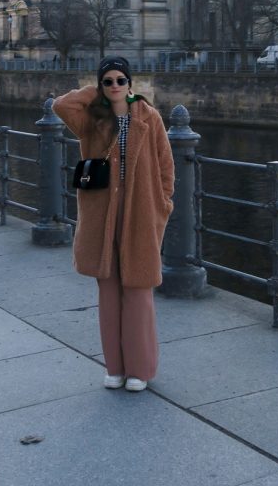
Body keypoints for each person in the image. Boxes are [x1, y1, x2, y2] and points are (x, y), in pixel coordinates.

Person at [53, 57, 174, 392]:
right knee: (108, 291)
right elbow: (61, 105)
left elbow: (165, 165)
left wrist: (162, 204)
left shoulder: (149, 116)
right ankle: (115, 368)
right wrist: (96, 92)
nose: (115, 86)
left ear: (130, 83)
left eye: (121, 80)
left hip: (140, 211)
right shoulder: (93, 118)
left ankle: (140, 369)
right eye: (108, 81)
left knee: (138, 289)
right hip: (102, 212)